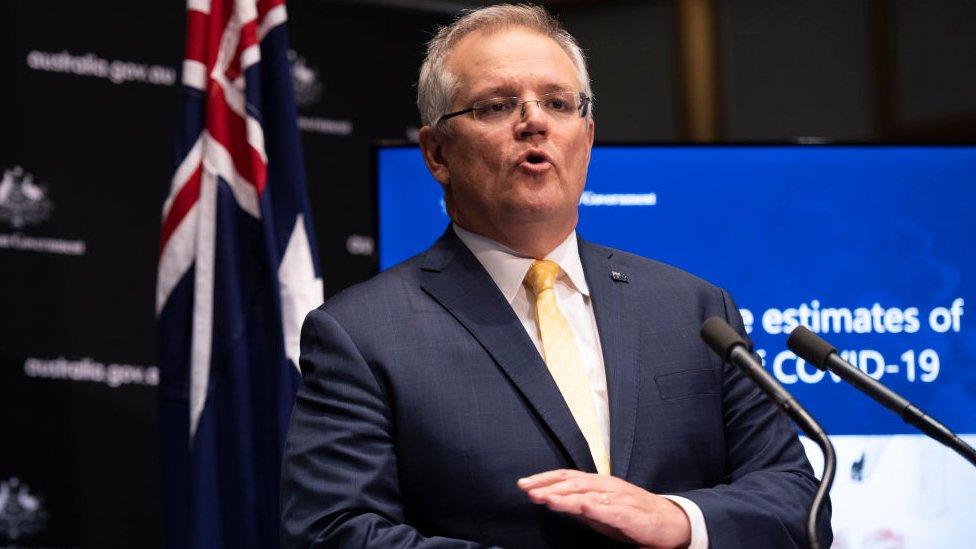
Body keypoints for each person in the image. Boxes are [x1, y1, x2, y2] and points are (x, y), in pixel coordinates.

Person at [281, 4, 831, 548]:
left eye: (557, 103)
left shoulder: (695, 310)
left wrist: (679, 518)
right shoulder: (360, 334)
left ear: (586, 139)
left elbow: (798, 501)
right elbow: (335, 531)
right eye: (497, 105)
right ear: (436, 152)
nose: (534, 121)